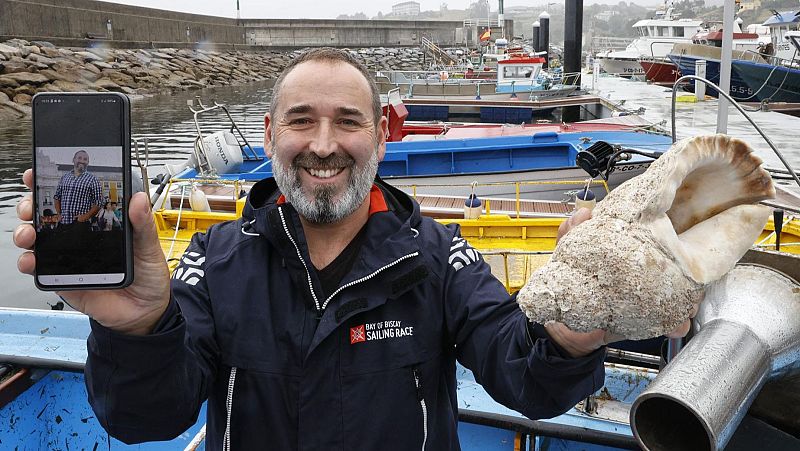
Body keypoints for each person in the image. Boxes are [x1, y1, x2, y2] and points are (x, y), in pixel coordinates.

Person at [12, 48, 694, 450]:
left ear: (381, 137)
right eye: (301, 121)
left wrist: (570, 337)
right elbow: (146, 419)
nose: (323, 144)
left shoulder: (437, 258)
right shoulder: (213, 262)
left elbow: (524, 377)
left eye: (348, 121)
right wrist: (135, 331)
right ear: (269, 133)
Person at [53, 149, 102, 231]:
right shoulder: (64, 177)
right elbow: (57, 197)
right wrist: (59, 214)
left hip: (81, 224)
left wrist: (85, 217)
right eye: (79, 158)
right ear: (73, 160)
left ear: (88, 162)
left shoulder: (93, 180)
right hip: (62, 223)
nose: (82, 161)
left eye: (85, 159)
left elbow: (98, 202)